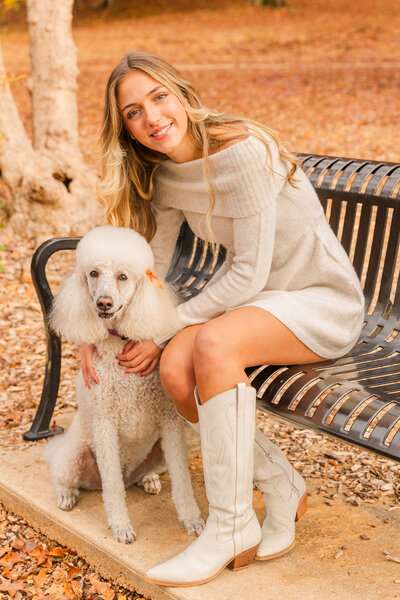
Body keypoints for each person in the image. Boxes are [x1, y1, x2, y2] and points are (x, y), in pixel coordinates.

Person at [81, 50, 365, 587]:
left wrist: (165, 329)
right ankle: (281, 484)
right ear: (125, 128)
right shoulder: (163, 173)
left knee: (209, 346)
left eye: (158, 97)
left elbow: (249, 273)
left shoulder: (246, 153)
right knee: (171, 371)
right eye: (133, 112)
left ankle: (231, 524)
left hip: (316, 298)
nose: (152, 117)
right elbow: (152, 267)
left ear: (182, 94)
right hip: (256, 304)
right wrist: (106, 329)